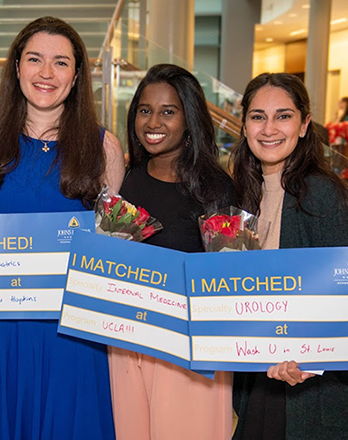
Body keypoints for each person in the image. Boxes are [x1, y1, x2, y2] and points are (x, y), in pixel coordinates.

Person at [0, 16, 125, 440]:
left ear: (77, 74)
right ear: (16, 67)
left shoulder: (104, 146)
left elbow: (110, 247)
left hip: (70, 335)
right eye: (35, 60)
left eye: (61, 63)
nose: (46, 73)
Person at [111, 64, 235, 439]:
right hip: (128, 345)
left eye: (168, 111)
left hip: (189, 350)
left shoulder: (218, 189)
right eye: (145, 110)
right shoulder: (129, 179)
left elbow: (231, 280)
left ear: (189, 118)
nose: (154, 121)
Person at [231, 73, 348, 440]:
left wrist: (313, 360)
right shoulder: (241, 195)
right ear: (244, 124)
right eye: (257, 116)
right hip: (258, 379)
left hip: (306, 391)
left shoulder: (321, 194)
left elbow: (340, 295)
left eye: (283, 116)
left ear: (304, 125)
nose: (269, 129)